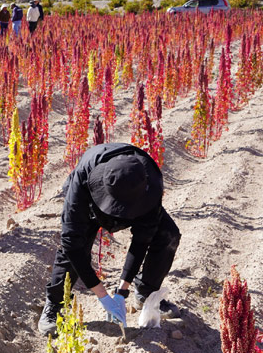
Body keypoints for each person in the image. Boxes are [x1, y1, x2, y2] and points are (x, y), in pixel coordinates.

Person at [38, 142, 181, 335]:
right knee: (74, 250)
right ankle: (55, 304)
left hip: (137, 197)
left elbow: (142, 239)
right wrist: (103, 296)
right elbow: (71, 243)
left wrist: (122, 292)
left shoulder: (151, 183)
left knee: (168, 234)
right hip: (92, 204)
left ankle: (146, 291)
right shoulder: (82, 180)